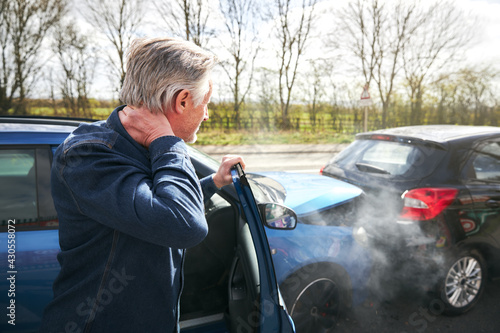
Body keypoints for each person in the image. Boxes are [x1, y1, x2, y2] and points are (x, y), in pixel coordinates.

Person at [39, 37, 245, 333]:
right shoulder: (88, 155)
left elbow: (153, 206)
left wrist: (212, 182)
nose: (207, 114)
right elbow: (184, 224)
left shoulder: (143, 145)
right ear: (182, 100)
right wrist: (167, 142)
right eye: (206, 103)